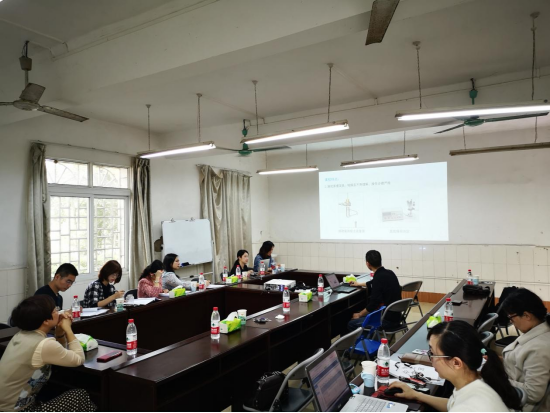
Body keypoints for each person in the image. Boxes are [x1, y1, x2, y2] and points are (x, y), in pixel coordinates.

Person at [388, 321, 522, 412]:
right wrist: (416, 395)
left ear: (456, 363)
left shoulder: (469, 406)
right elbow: (451, 404)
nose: (431, 359)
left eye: (433, 353)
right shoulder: (479, 379)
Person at [0, 295, 96, 412]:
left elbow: (59, 354)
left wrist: (59, 332)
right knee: (79, 396)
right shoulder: (44, 344)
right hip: (17, 409)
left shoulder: (20, 335)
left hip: (6, 405)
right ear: (45, 320)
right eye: (55, 310)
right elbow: (78, 359)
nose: (59, 312)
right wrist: (68, 329)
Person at [500, 288, 550, 412]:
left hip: (520, 405)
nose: (511, 322)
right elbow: (519, 364)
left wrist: (497, 379)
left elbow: (533, 393)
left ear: (527, 315)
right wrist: (498, 362)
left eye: (511, 318)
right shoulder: (536, 330)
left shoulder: (539, 349)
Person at [347, 250, 402, 332]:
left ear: (368, 264)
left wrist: (359, 314)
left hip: (386, 321)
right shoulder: (390, 273)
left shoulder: (378, 278)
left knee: (351, 324)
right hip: (397, 317)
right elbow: (373, 283)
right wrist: (358, 284)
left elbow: (373, 304)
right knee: (365, 314)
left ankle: (369, 339)